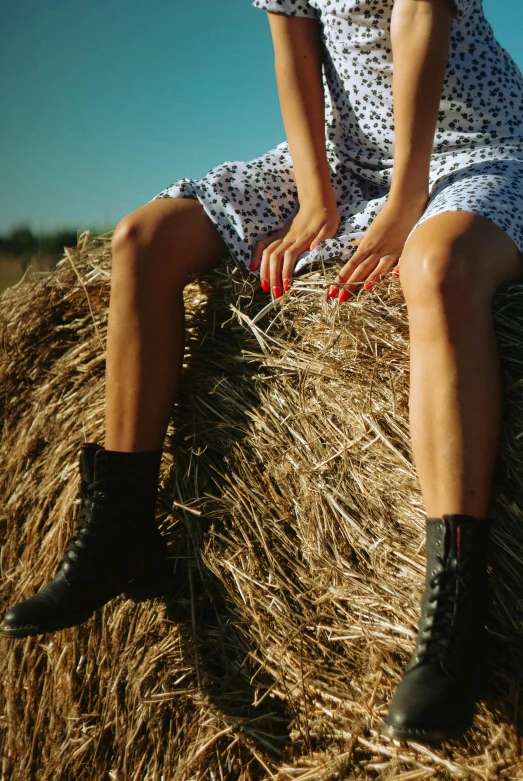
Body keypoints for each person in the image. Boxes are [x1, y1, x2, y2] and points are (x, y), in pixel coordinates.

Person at [1, 0, 523, 744]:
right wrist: (315, 198)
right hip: (345, 158)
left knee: (434, 270)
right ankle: (119, 527)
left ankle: (455, 612)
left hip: (473, 146)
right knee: (141, 241)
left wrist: (405, 202)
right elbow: (292, 46)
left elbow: (419, 15)